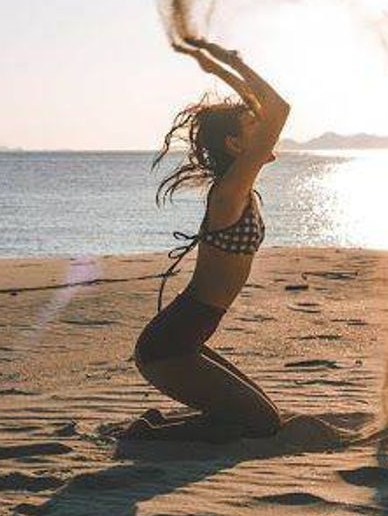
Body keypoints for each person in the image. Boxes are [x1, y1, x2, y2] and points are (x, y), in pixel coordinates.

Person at [123, 37, 290, 445]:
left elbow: (268, 112)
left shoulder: (236, 189)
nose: (265, 131)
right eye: (254, 129)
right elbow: (280, 110)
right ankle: (144, 438)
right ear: (235, 146)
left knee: (263, 415)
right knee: (262, 425)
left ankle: (156, 429)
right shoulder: (231, 190)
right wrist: (232, 63)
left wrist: (221, 69)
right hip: (170, 346)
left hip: (185, 339)